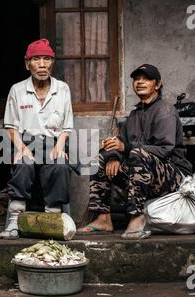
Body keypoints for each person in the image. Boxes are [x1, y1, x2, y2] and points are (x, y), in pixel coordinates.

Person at [77, 64, 192, 239]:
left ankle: (137, 217)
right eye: (137, 79)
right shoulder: (134, 115)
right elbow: (119, 144)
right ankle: (103, 218)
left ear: (158, 84)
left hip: (172, 175)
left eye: (146, 78)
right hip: (142, 173)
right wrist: (114, 156)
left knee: (138, 154)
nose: (140, 82)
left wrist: (126, 148)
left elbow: (163, 150)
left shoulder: (165, 111)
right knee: (100, 158)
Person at [0, 38, 74, 240]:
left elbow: (66, 126)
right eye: (36, 59)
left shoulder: (63, 89)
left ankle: (52, 218)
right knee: (23, 163)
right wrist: (21, 148)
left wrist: (60, 146)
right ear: (27, 64)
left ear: (52, 63)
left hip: (52, 143)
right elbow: (10, 126)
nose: (42, 64)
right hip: (25, 142)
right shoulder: (17, 90)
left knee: (59, 165)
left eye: (47, 59)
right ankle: (15, 219)